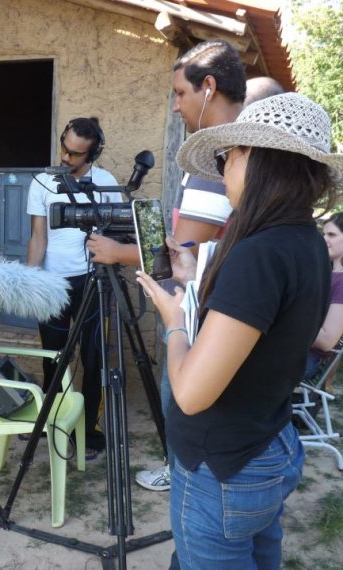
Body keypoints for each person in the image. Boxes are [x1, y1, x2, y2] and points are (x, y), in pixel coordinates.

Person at [137, 92, 341, 569]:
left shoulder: (259, 252)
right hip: (268, 445)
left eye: (228, 156)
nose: (224, 168)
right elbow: (264, 321)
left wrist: (173, 324)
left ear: (255, 158)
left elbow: (189, 394)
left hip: (222, 465)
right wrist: (196, 279)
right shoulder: (306, 241)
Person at [88, 39, 247, 492]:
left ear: (209, 88)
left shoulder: (219, 163)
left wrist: (118, 254)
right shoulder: (229, 156)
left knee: (180, 398)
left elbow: (185, 254)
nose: (176, 106)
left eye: (180, 93)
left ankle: (183, 476)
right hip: (216, 311)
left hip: (198, 315)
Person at [26, 117, 122, 459]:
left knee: (94, 357)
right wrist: (31, 281)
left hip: (93, 281)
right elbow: (38, 237)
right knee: (54, 356)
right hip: (52, 282)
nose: (66, 158)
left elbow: (115, 237)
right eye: (64, 148)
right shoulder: (41, 182)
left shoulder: (106, 182)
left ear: (92, 154)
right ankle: (53, 421)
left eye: (76, 154)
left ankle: (89, 432)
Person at [305, 213, 343, 382]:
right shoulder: (326, 273)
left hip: (308, 360)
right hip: (295, 352)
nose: (324, 238)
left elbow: (327, 340)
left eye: (332, 235)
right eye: (324, 233)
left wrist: (286, 326)